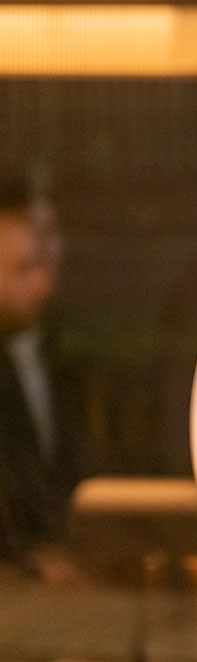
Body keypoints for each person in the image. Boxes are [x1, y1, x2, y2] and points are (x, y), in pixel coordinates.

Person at [0, 178, 82, 583]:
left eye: (47, 265)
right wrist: (24, 566)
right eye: (22, 269)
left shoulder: (61, 351)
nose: (43, 284)